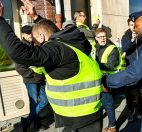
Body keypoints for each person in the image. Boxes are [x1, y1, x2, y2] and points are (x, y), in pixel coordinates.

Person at [0, 0, 103, 132]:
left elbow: (19, 53)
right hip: (85, 115)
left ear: (42, 38)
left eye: (36, 42)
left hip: (80, 118)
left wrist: (0, 20)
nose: (36, 45)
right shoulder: (71, 43)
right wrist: (36, 18)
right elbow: (53, 33)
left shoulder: (57, 49)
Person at [15, 25, 48, 131]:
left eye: (31, 33)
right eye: (28, 33)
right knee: (33, 103)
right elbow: (20, 68)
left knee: (44, 101)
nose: (30, 35)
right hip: (31, 80)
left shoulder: (35, 44)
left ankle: (27, 120)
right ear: (23, 34)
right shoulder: (21, 47)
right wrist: (34, 75)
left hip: (41, 78)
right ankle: (35, 123)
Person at [94, 28, 121, 132]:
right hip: (97, 78)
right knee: (101, 103)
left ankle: (112, 126)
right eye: (100, 37)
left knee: (108, 103)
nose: (103, 38)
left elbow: (110, 65)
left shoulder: (112, 48)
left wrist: (95, 65)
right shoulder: (94, 47)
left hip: (107, 79)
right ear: (96, 38)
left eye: (104, 36)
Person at [121, 18, 142, 122]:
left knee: (140, 92)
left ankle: (139, 111)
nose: (133, 27)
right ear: (128, 26)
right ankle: (130, 112)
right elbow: (124, 48)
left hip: (140, 68)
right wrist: (131, 40)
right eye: (131, 25)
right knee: (130, 93)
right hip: (130, 68)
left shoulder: (141, 35)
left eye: (134, 25)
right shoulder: (125, 36)